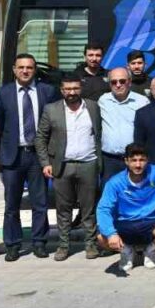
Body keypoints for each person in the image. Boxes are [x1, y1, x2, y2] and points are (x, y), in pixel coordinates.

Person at [0, 53, 57, 261]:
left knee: (40, 202)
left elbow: (54, 124)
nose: (25, 71)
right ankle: (12, 244)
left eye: (29, 67)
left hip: (38, 156)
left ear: (35, 70)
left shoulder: (47, 91)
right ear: (14, 69)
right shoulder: (3, 93)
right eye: (21, 67)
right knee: (11, 204)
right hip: (12, 156)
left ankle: (39, 242)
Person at [36, 74, 103, 262]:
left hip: (88, 164)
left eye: (75, 88)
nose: (71, 92)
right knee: (63, 209)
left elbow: (99, 133)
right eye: (67, 89)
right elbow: (41, 138)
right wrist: (45, 163)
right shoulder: (51, 109)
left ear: (80, 89)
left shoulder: (93, 107)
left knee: (89, 208)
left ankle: (90, 244)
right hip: (62, 166)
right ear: (62, 90)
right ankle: (63, 246)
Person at [95, 143, 155, 274]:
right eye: (134, 160)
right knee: (102, 237)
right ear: (126, 161)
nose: (138, 165)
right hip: (125, 223)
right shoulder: (115, 182)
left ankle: (151, 250)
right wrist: (111, 234)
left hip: (152, 221)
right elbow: (103, 209)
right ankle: (126, 251)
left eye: (142, 160)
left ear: (148, 160)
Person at [99, 67, 150, 180]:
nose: (118, 85)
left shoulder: (142, 101)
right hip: (109, 160)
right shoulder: (103, 100)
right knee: (109, 190)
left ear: (129, 82)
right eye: (113, 82)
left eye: (122, 81)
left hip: (135, 159)